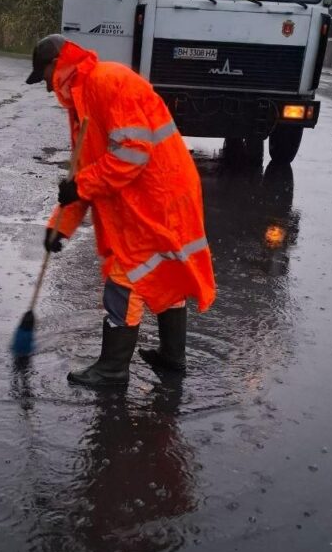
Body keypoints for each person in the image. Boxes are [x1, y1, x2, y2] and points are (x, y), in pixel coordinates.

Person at [26, 34, 216, 388]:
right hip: (153, 193)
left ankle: (113, 368)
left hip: (158, 195)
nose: (48, 88)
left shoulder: (106, 82)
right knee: (163, 271)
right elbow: (84, 172)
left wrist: (80, 186)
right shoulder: (81, 100)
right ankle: (172, 356)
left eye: (46, 78)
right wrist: (60, 226)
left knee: (125, 276)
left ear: (56, 65)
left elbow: (132, 154)